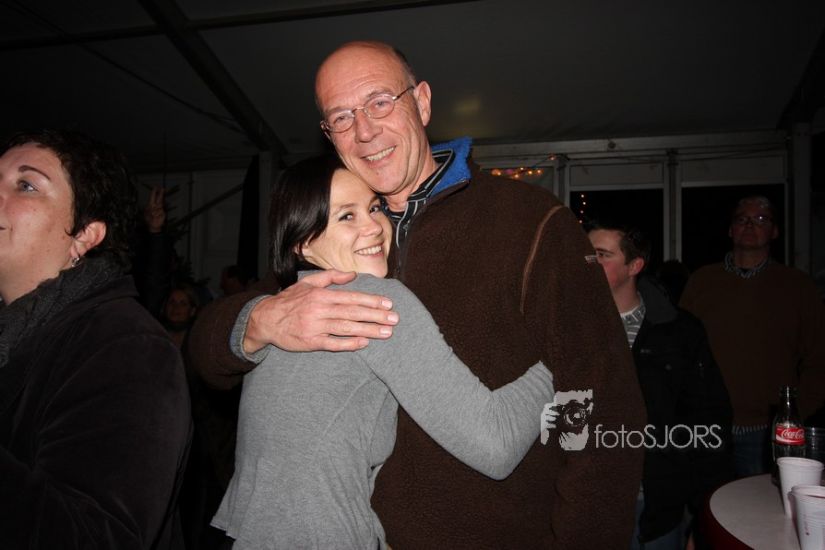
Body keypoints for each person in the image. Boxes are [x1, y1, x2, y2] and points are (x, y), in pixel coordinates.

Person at [189, 41, 645, 548]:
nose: (364, 130)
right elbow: (206, 347)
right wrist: (257, 321)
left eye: (380, 102)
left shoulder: (529, 220)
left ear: (422, 103)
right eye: (341, 117)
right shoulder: (338, 241)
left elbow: (604, 400)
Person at [212, 155, 555, 548]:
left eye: (374, 208)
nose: (373, 226)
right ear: (303, 242)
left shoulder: (286, 307)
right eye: (346, 216)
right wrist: (558, 354)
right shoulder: (372, 300)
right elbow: (495, 444)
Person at [0, 130, 191, 548]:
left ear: (84, 235)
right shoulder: (17, 331)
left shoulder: (128, 348)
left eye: (26, 185)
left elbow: (97, 536)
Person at [588, 224, 733, 549]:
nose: (588, 261)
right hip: (582, 505)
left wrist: (705, 519)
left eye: (601, 255)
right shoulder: (565, 326)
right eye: (586, 253)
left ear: (634, 266)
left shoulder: (678, 332)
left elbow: (708, 422)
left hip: (654, 508)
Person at [680, 196, 825, 477]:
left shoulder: (797, 286)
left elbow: (818, 358)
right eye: (742, 219)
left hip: (768, 431)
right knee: (708, 501)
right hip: (707, 427)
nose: (750, 225)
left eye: (760, 219)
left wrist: (795, 413)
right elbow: (681, 348)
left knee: (763, 502)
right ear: (730, 229)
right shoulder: (702, 281)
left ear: (774, 231)